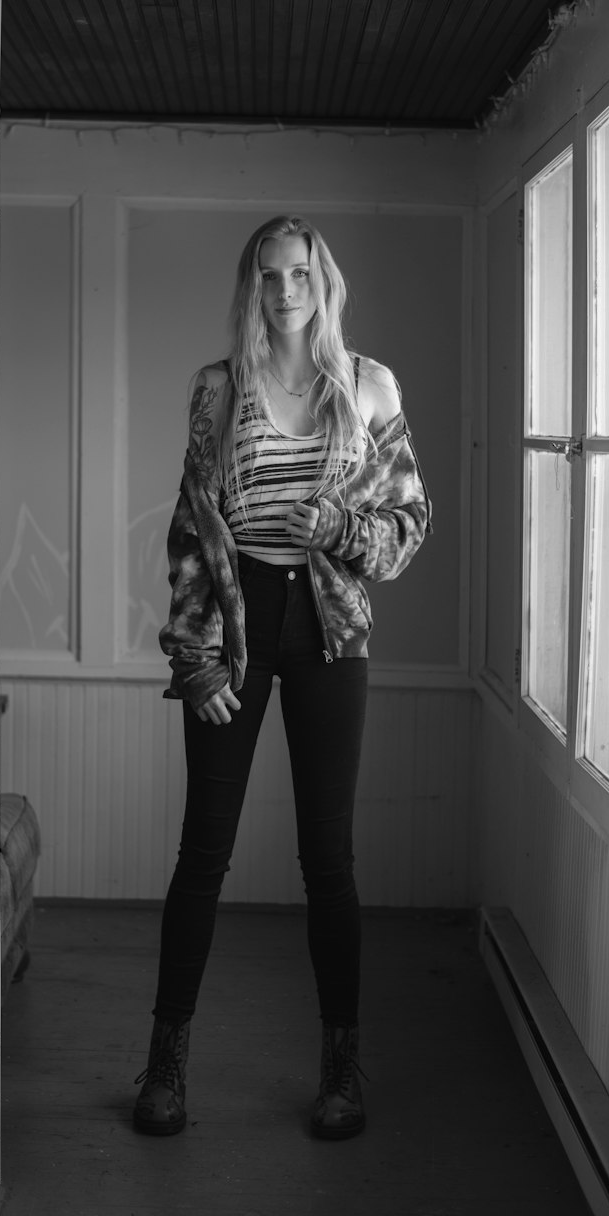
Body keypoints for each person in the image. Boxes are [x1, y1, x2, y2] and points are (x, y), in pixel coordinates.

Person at [133, 214, 431, 1141]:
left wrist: (337, 529)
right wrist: (195, 661)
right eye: (269, 276)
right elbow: (190, 534)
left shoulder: (370, 389)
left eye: (298, 273)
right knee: (203, 854)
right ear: (252, 287)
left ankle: (341, 1066)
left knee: (328, 861)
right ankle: (165, 1066)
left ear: (323, 280)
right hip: (237, 622)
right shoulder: (218, 391)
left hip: (331, 632)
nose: (285, 290)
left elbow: (408, 526)